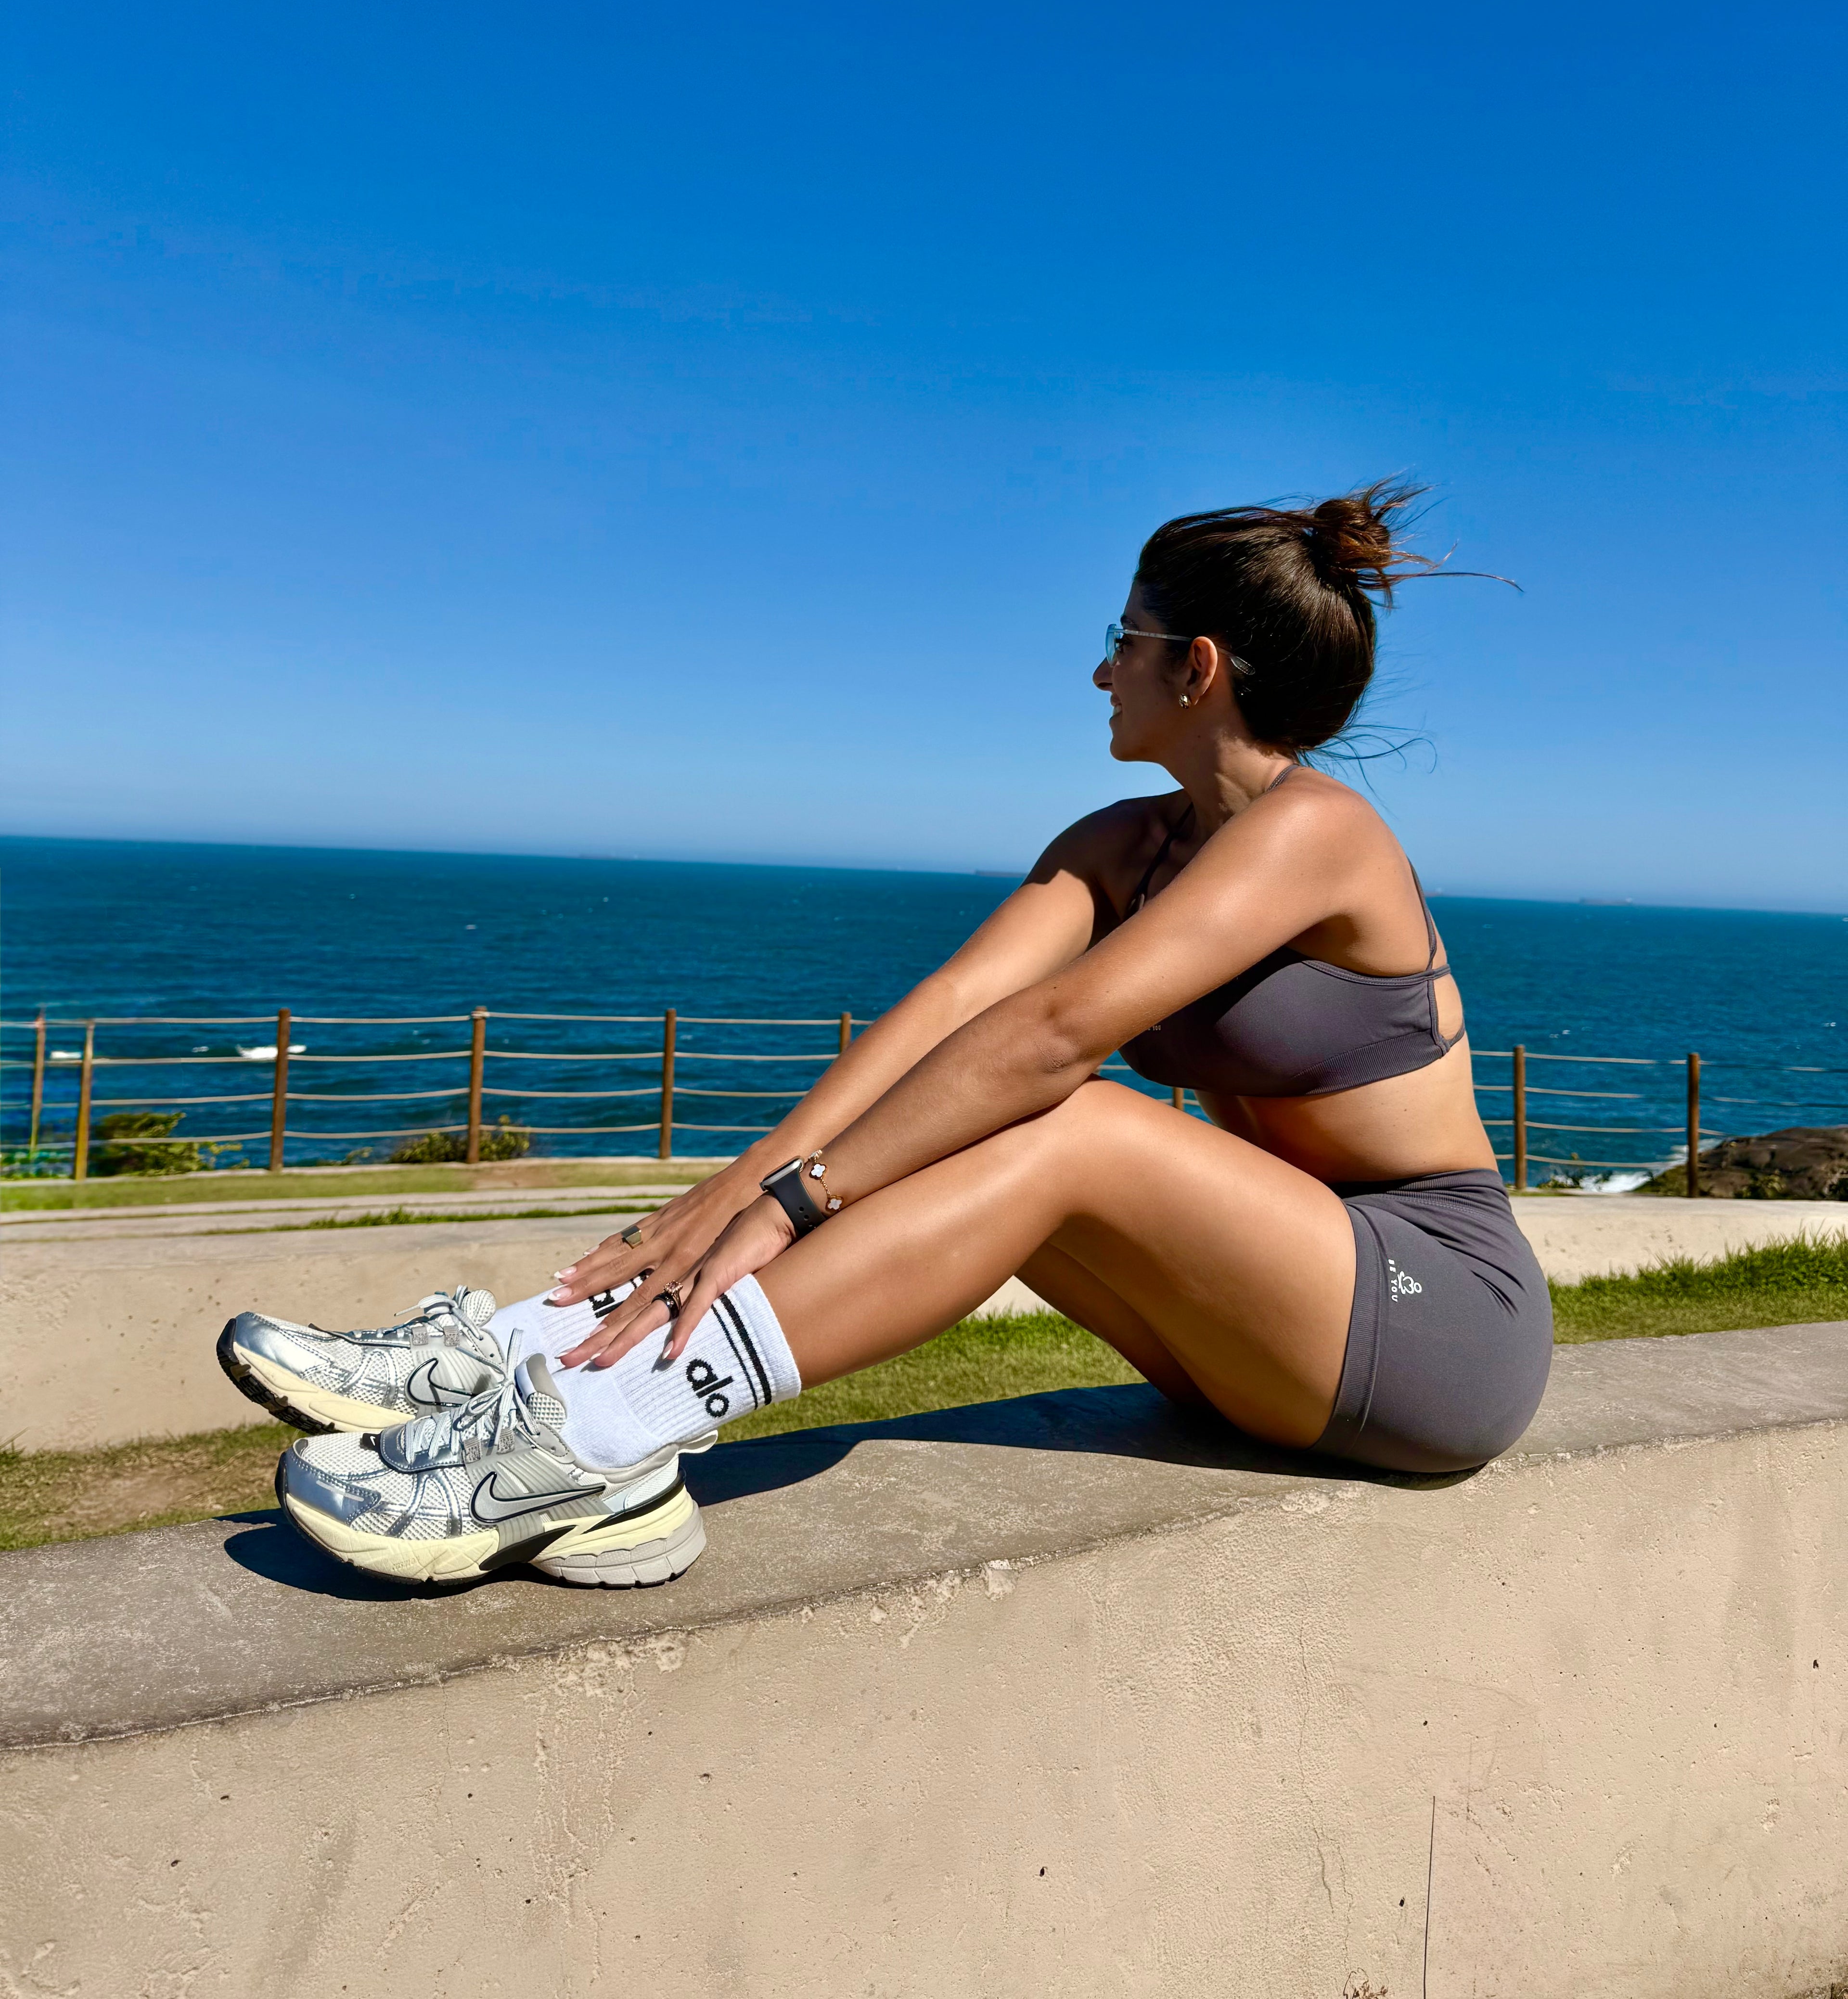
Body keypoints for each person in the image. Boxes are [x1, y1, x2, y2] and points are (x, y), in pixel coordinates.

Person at [222, 483, 1551, 1591]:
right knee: (956, 1102)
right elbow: (954, 1015)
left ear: (1195, 668)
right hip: (1257, 1340)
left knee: (1068, 1116)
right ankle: (536, 1353)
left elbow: (1052, 1037)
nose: (1100, 667)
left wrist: (798, 1205)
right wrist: (721, 1203)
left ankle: (610, 1434)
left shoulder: (1318, 834)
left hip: (1436, 1325)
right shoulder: (1122, 847)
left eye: (1124, 637)